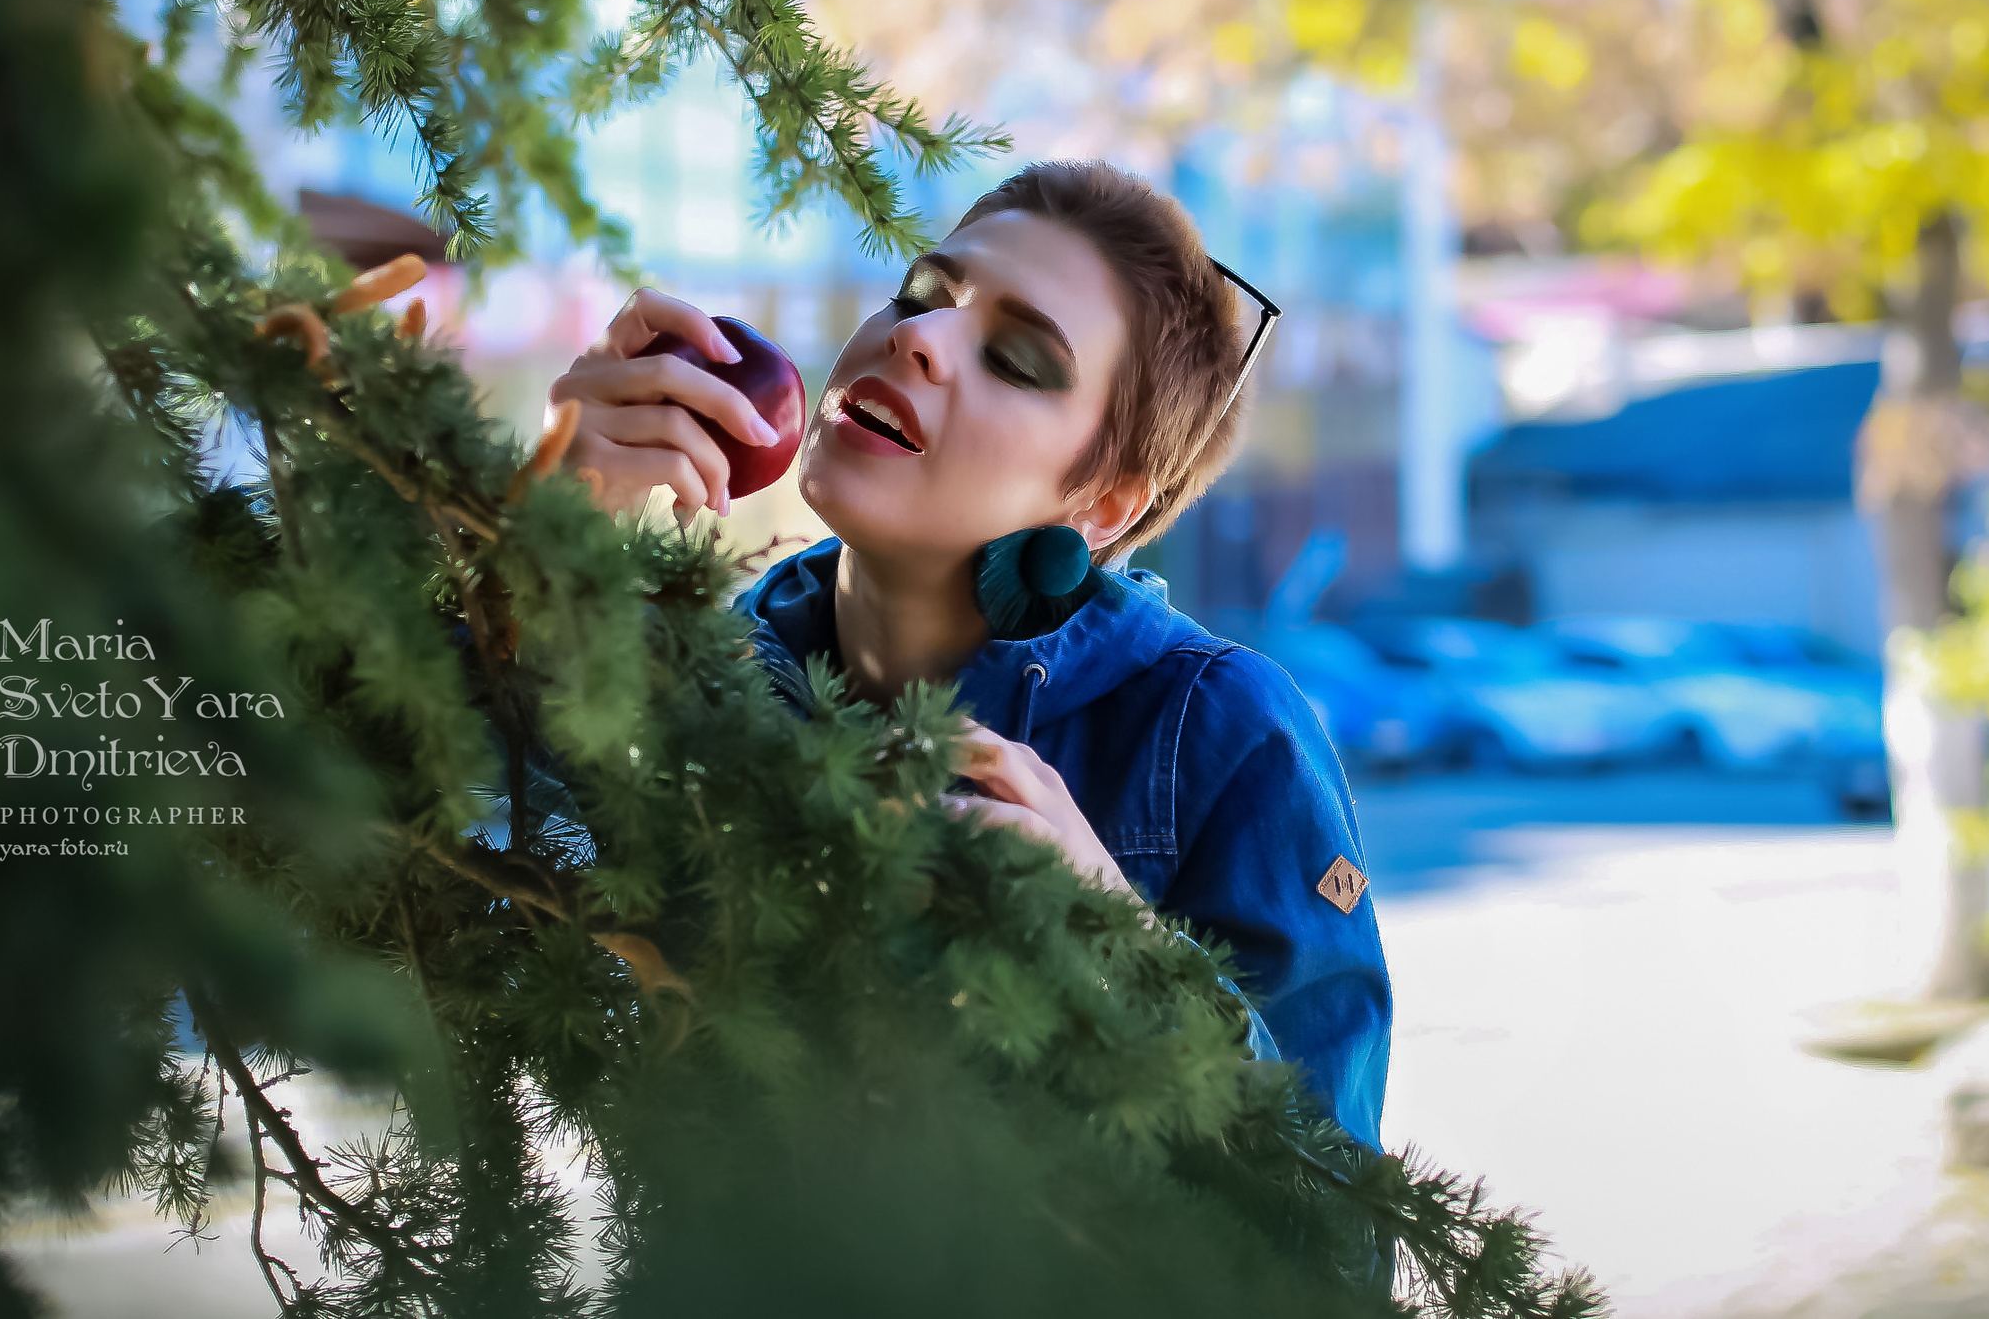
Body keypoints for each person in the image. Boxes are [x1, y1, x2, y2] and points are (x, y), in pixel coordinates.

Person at [545, 161, 1392, 1149]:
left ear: (1105, 505)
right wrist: (531, 541)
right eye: (919, 295)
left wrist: (1118, 949)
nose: (917, 336)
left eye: (1018, 360)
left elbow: (1334, 1213)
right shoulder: (684, 677)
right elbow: (417, 870)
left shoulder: (1226, 733)